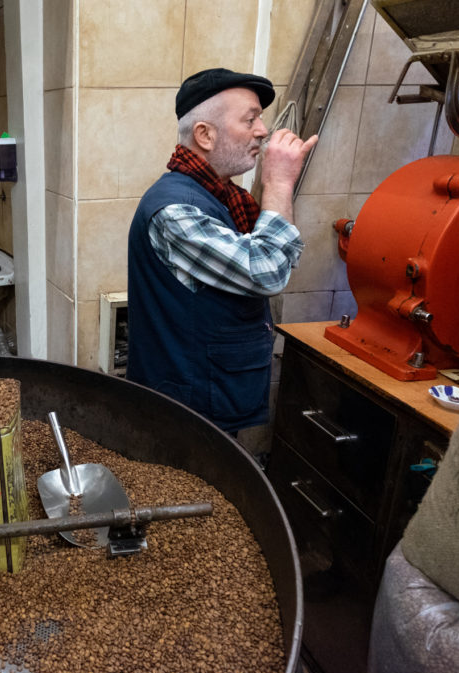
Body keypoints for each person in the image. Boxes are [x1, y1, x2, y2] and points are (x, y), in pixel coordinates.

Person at [126, 68, 318, 434]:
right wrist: (278, 181)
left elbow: (272, 246)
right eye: (250, 119)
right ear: (205, 135)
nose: (263, 130)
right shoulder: (176, 212)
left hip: (212, 396)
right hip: (187, 410)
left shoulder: (226, 197)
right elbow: (268, 269)